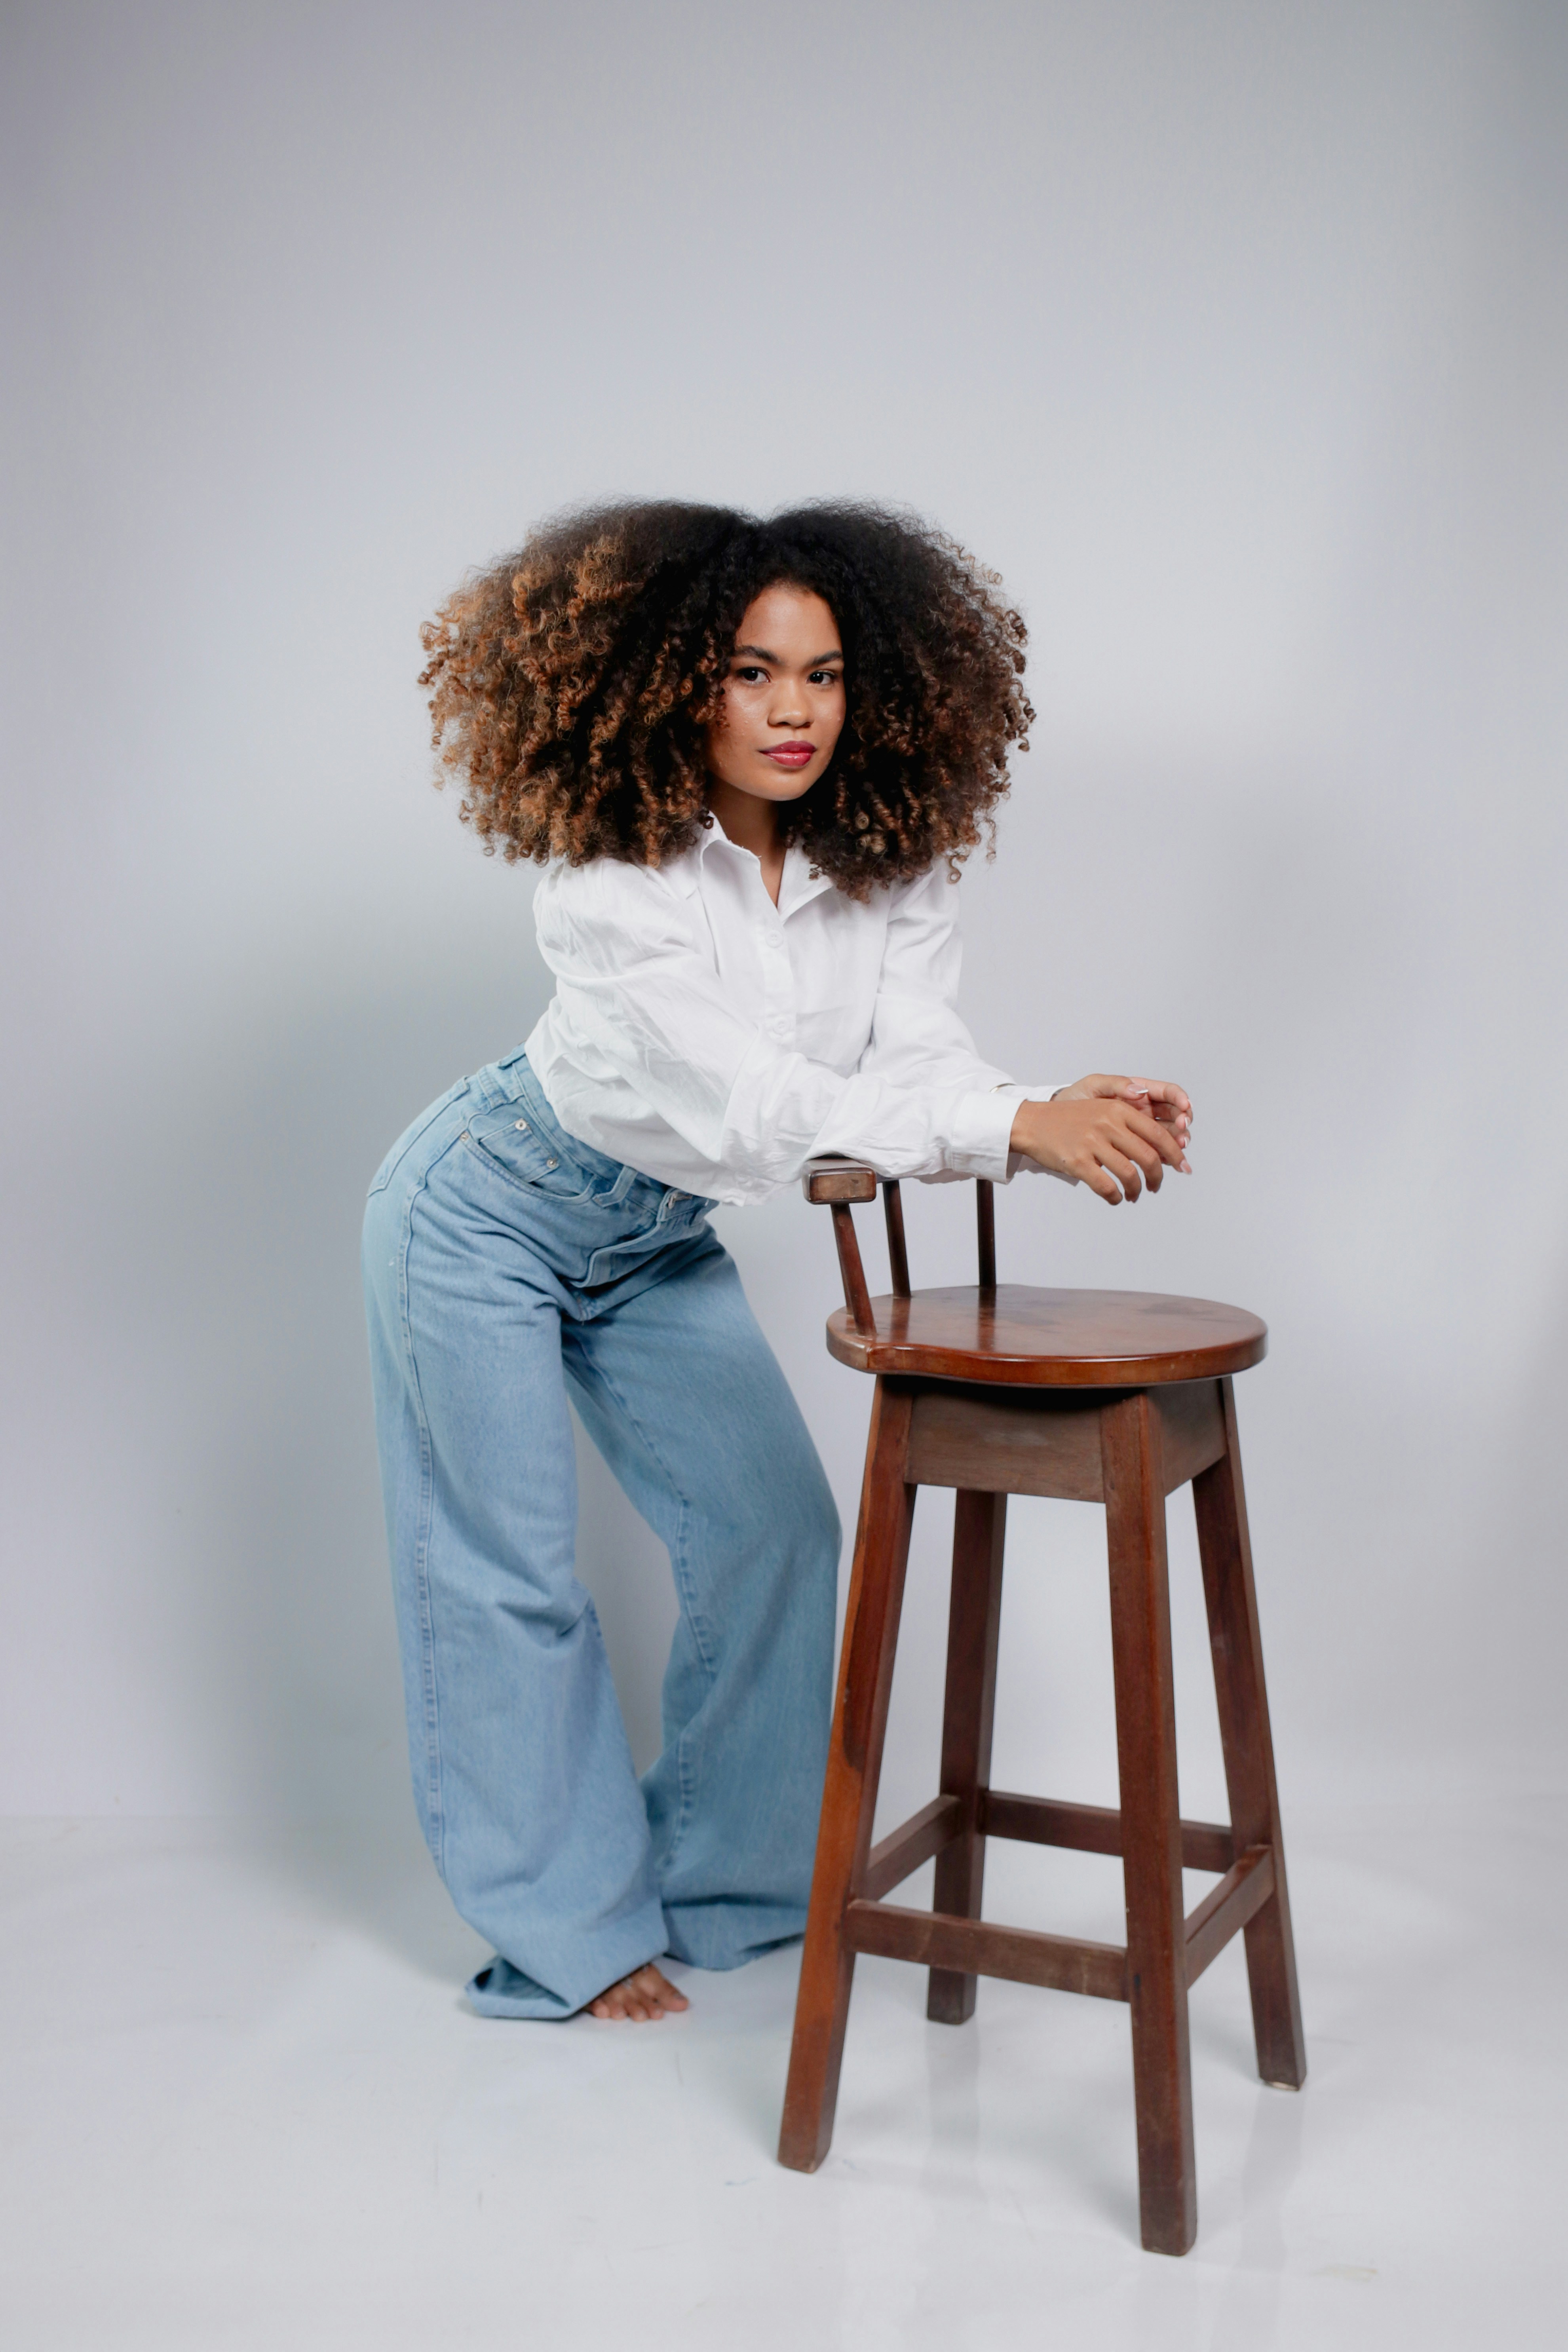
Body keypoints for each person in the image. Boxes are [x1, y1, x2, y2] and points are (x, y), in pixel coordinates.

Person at [362, 502, 1191, 2024]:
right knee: (513, 1583)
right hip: (487, 1209)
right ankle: (566, 1936)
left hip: (653, 1236)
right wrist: (1013, 1127)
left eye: (822, 673)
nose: (794, 708)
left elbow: (917, 1061)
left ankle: (729, 1897)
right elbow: (765, 1107)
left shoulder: (887, 861)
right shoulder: (610, 881)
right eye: (751, 672)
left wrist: (1045, 1105)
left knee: (778, 1538)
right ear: (673, 681)